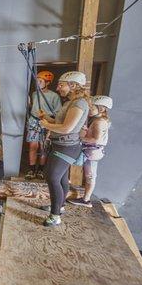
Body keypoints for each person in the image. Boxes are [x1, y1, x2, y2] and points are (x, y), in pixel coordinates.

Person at [38, 71, 90, 227]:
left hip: (67, 147)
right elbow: (60, 122)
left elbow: (67, 128)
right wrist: (47, 118)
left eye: (62, 84)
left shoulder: (79, 103)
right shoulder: (69, 103)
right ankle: (59, 206)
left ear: (73, 85)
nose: (58, 87)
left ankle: (55, 216)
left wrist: (46, 125)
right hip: (61, 145)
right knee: (60, 178)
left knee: (52, 177)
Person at [68, 95, 113, 208]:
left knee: (90, 176)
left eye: (92, 107)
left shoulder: (99, 122)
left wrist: (80, 138)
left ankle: (86, 200)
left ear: (101, 109)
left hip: (92, 152)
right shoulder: (99, 120)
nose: (89, 109)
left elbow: (96, 139)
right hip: (91, 151)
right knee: (90, 175)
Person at [25, 70, 62, 180]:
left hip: (47, 122)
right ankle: (31, 169)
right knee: (33, 146)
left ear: (47, 82)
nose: (38, 83)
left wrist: (50, 127)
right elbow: (34, 107)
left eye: (40, 81)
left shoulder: (54, 96)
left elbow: (57, 113)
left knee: (43, 147)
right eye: (37, 81)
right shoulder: (34, 94)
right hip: (34, 121)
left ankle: (41, 170)